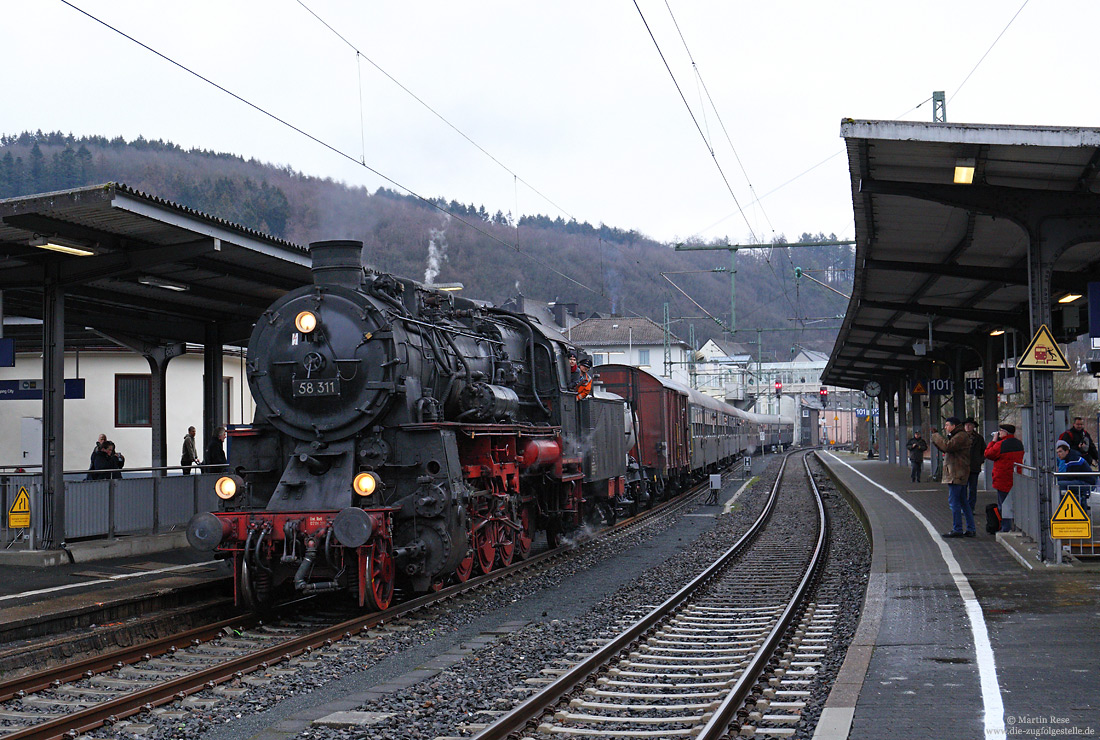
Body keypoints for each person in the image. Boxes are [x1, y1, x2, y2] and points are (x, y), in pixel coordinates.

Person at [931, 416, 974, 538]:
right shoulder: (959, 435)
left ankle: (957, 529)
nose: (945, 427)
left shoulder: (960, 436)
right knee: (963, 502)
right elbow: (945, 447)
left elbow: (947, 447)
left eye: (947, 425)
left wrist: (936, 436)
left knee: (954, 502)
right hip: (958, 472)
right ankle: (970, 528)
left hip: (957, 473)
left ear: (954, 426)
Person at [985, 424, 1024, 532]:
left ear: (1005, 432)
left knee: (1004, 505)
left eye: (1001, 431)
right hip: (1016, 478)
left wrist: (993, 440)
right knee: (1016, 504)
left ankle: (1006, 528)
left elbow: (988, 454)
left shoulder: (1001, 444)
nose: (999, 432)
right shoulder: (1019, 443)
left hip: (1002, 479)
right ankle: (1018, 527)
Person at [1056, 439, 1093, 508]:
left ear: (1066, 451)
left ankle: (1062, 507)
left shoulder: (1073, 460)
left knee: (1059, 484)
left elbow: (1070, 476)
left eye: (1060, 452)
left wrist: (1057, 478)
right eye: (1057, 452)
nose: (1058, 454)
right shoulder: (1071, 458)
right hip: (1084, 481)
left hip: (1085, 483)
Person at [964, 418, 985, 516]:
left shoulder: (979, 438)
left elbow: (984, 451)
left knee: (972, 489)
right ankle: (964, 508)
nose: (968, 426)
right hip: (962, 467)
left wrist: (979, 461)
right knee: (962, 489)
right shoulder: (960, 437)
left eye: (970, 425)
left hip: (974, 467)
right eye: (966, 425)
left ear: (973, 427)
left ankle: (971, 508)